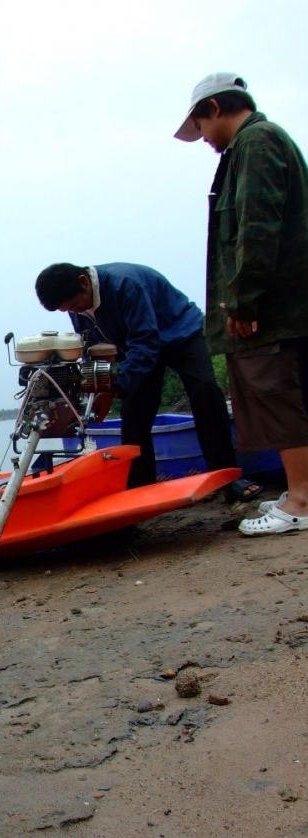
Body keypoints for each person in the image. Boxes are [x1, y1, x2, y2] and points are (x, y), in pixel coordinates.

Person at [175, 73, 308, 536]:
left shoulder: (256, 143)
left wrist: (244, 300)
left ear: (214, 108)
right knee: (289, 396)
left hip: (273, 309)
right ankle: (301, 490)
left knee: (278, 399)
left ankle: (301, 501)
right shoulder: (253, 146)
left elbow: (256, 225)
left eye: (201, 126)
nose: (205, 140)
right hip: (283, 305)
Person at [34, 261, 260, 497]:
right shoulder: (78, 307)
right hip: (137, 346)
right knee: (133, 415)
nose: (76, 311)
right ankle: (139, 490)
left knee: (205, 392)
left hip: (179, 334)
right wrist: (101, 390)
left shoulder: (125, 284)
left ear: (83, 282)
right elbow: (94, 348)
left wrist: (118, 385)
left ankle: (227, 477)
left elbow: (146, 341)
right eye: (69, 310)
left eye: (75, 305)